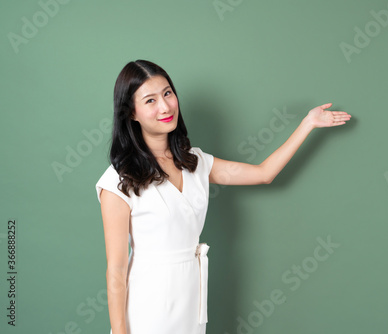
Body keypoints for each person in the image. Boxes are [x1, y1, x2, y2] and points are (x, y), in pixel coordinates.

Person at [95, 59, 351, 334]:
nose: (165, 107)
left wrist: (307, 124)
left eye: (168, 93)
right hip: (147, 304)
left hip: (191, 296)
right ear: (131, 113)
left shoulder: (196, 162)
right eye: (150, 100)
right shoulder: (119, 181)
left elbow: (264, 173)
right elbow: (117, 272)